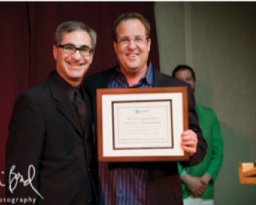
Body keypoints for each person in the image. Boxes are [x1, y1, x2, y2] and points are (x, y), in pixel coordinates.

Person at [83, 12, 207, 205]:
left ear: (148, 44)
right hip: (106, 199)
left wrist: (191, 146)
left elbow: (199, 146)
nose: (132, 46)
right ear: (115, 46)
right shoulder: (93, 85)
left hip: (157, 199)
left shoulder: (176, 90)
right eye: (124, 39)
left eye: (138, 38)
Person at [5, 21, 97, 205]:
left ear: (91, 55)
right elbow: (20, 178)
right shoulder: (33, 102)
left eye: (84, 49)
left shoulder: (89, 98)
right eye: (69, 47)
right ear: (55, 51)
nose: (77, 56)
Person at [172, 65, 224, 205]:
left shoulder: (209, 115)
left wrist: (204, 180)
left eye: (188, 79)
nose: (184, 82)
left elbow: (217, 152)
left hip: (204, 190)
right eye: (179, 79)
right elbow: (167, 153)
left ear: (194, 82)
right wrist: (187, 179)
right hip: (178, 191)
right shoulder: (168, 113)